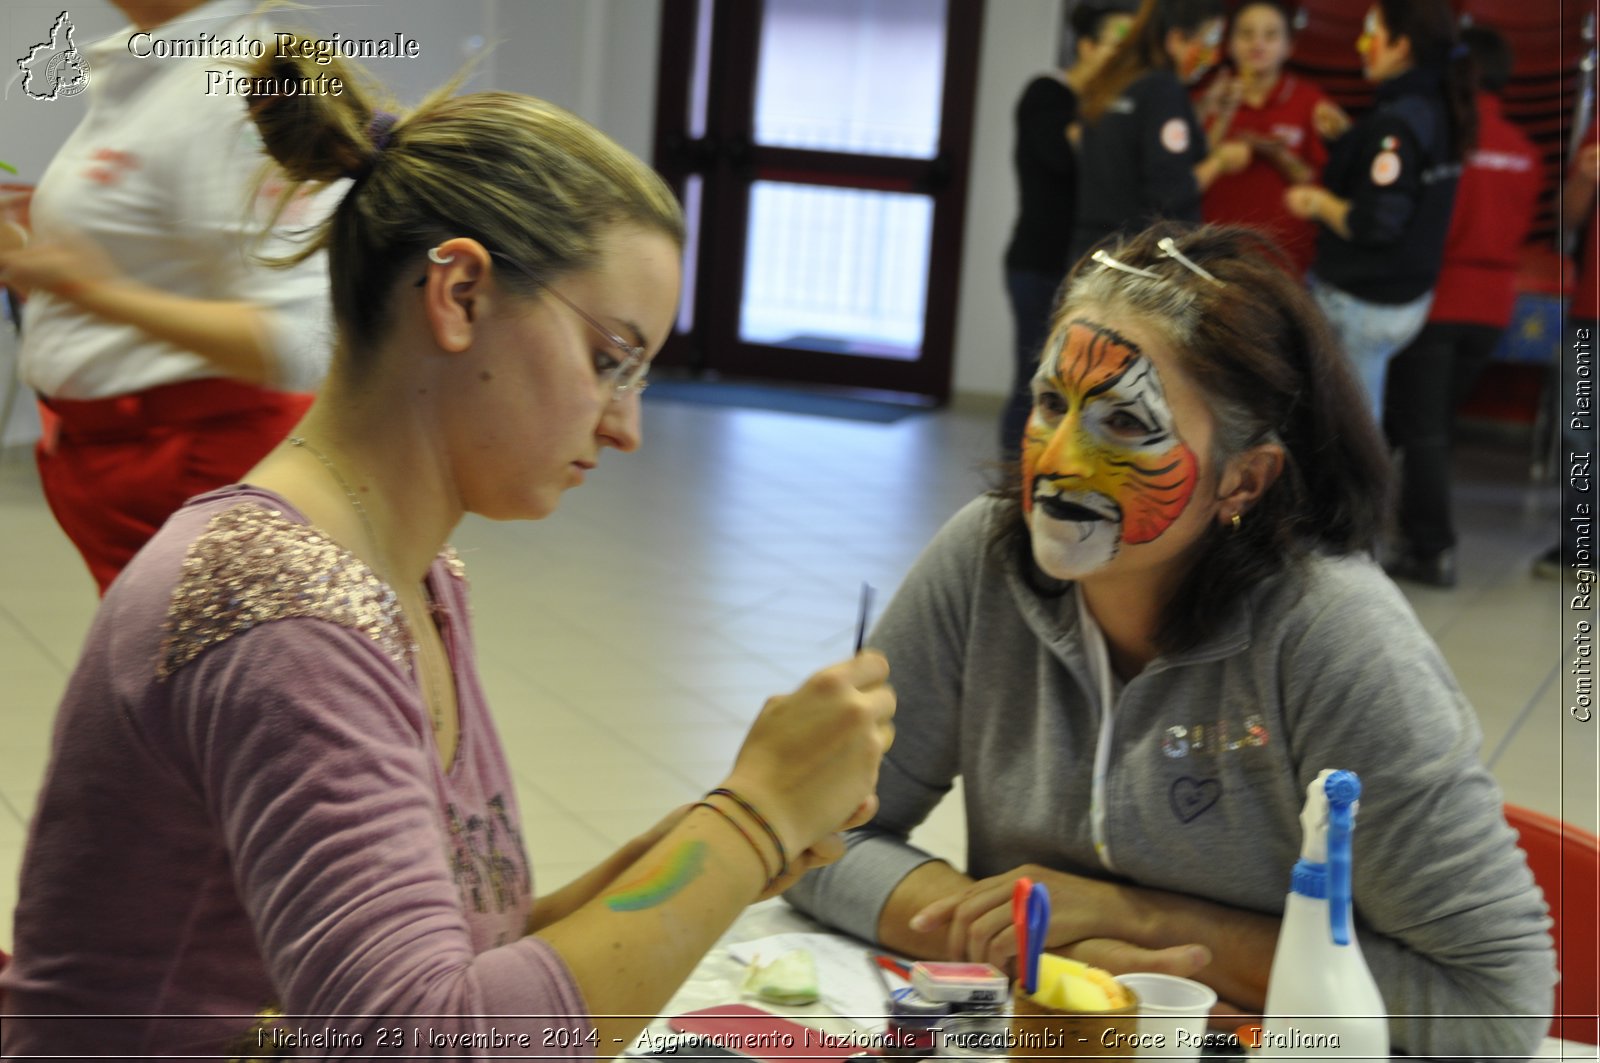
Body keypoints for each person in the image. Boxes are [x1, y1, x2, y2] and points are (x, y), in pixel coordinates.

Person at [0, 37, 896, 1060]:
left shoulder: (410, 574)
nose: (623, 426)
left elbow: (463, 960)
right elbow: (422, 1041)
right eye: (610, 360)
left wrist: (699, 842)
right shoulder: (279, 607)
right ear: (459, 294)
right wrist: (750, 820)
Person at [785, 222, 1555, 1058]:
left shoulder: (1334, 636)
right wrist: (1037, 940)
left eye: (1124, 423)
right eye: (1051, 404)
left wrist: (1140, 920)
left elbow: (1495, 1004)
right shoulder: (985, 557)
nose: (1059, 462)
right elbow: (811, 835)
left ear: (1244, 478)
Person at [0, 0, 341, 595]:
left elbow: (299, 343)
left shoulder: (232, 87)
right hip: (131, 469)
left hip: (194, 472)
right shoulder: (157, 69)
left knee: (208, 680)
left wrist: (91, 289)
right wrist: (42, 266)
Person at [1384, 26, 1542, 588]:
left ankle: (1431, 549)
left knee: (1421, 431)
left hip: (1441, 301)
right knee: (1425, 427)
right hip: (1494, 309)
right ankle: (1397, 531)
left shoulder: (1448, 137)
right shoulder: (1524, 151)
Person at [1285, 0, 1476, 419]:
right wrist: (1351, 141)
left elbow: (1375, 222)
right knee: (1354, 422)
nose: (1361, 43)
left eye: (1372, 32)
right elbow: (1401, 180)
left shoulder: (1399, 121)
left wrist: (1316, 202)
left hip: (1367, 299)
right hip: (1407, 294)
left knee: (1349, 432)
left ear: (1401, 46)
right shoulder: (1438, 105)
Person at [1000, 1, 1136, 462]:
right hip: (1038, 262)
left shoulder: (1110, 109)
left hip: (1077, 266)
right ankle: (1010, 487)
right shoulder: (1048, 94)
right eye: (1115, 45)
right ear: (1086, 46)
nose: (1123, 58)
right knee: (1033, 382)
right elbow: (1061, 158)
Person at [1068, 0, 1252, 268]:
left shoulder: (1118, 81)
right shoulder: (1163, 89)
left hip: (1097, 251)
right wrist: (1221, 161)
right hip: (1139, 260)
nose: (1211, 56)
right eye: (1208, 40)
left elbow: (1153, 151)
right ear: (1176, 39)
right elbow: (1172, 189)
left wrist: (1209, 112)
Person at [1195, 0, 1345, 276]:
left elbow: (1319, 184)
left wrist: (1278, 155)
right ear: (1228, 43)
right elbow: (1185, 178)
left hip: (1286, 260)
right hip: (1214, 256)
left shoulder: (1311, 102)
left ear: (1290, 46)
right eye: (1246, 33)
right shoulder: (1210, 97)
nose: (1257, 44)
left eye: (1270, 35)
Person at [1534, 118, 1600, 579]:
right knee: (1580, 431)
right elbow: (1566, 221)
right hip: (1591, 307)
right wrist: (1584, 177)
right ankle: (1582, 545)